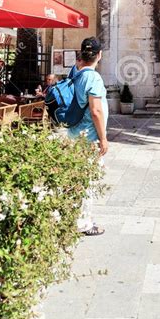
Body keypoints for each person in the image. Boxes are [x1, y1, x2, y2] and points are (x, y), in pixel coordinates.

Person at [68, 37, 109, 237]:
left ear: (81, 55)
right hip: (89, 138)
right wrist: (103, 138)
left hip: (74, 135)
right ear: (99, 55)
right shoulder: (93, 78)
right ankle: (84, 223)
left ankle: (73, 217)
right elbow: (96, 111)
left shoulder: (76, 74)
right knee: (88, 181)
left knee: (77, 179)